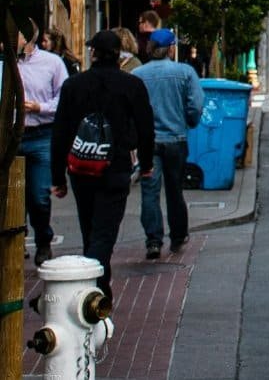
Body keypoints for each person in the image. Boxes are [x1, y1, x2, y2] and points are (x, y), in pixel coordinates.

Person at [50, 30, 155, 297]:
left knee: (90, 227)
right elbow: (145, 128)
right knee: (105, 231)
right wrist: (146, 163)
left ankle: (97, 286)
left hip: (82, 167)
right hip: (115, 166)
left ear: (93, 53)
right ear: (119, 55)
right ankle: (93, 287)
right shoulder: (131, 85)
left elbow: (60, 131)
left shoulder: (74, 85)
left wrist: (58, 177)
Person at [132, 29, 204, 259]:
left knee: (149, 191)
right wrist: (189, 121)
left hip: (148, 142)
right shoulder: (185, 72)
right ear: (171, 48)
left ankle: (153, 240)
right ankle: (178, 235)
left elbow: (132, 109)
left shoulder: (138, 74)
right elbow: (195, 106)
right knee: (175, 190)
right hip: (175, 139)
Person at [18, 21, 69, 266]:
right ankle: (15, 241)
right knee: (12, 194)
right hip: (11, 135)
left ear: (28, 38)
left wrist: (41, 107)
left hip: (41, 134)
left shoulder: (52, 63)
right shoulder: (5, 62)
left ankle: (43, 242)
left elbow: (64, 97)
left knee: (38, 195)